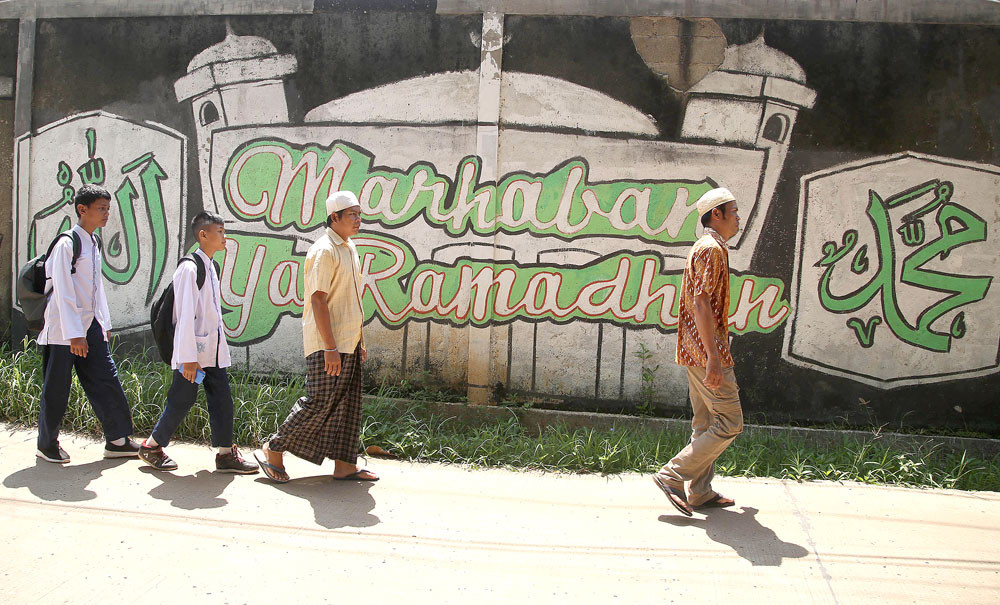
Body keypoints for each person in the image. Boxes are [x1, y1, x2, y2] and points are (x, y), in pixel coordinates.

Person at [254, 191, 377, 483]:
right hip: (327, 345)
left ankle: (345, 465)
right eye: (352, 215)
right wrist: (330, 347)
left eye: (359, 214)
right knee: (319, 401)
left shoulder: (349, 247)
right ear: (334, 218)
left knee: (349, 403)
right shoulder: (325, 250)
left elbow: (350, 300)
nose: (359, 220)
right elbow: (318, 300)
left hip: (348, 341)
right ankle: (274, 447)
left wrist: (358, 342)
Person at [138, 211, 257, 474]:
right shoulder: (189, 268)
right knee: (181, 400)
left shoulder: (211, 266)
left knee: (222, 399)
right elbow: (183, 317)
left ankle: (226, 454)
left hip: (211, 353)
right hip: (194, 354)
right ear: (203, 235)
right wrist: (188, 358)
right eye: (220, 232)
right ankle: (151, 446)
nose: (225, 237)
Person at [653, 187, 743, 516]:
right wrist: (714, 358)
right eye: (733, 212)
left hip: (694, 350)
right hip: (707, 351)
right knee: (730, 421)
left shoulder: (708, 247)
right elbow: (702, 302)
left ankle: (700, 491)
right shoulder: (711, 249)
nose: (738, 218)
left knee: (705, 422)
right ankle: (672, 475)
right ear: (716, 215)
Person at [36, 184, 139, 463]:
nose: (106, 214)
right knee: (57, 388)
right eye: (101, 209)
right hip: (63, 331)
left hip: (90, 325)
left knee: (106, 379)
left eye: (108, 209)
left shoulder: (93, 241)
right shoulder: (67, 243)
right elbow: (63, 292)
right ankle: (46, 444)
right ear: (82, 209)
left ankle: (118, 440)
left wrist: (102, 323)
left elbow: (96, 288)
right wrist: (74, 334)